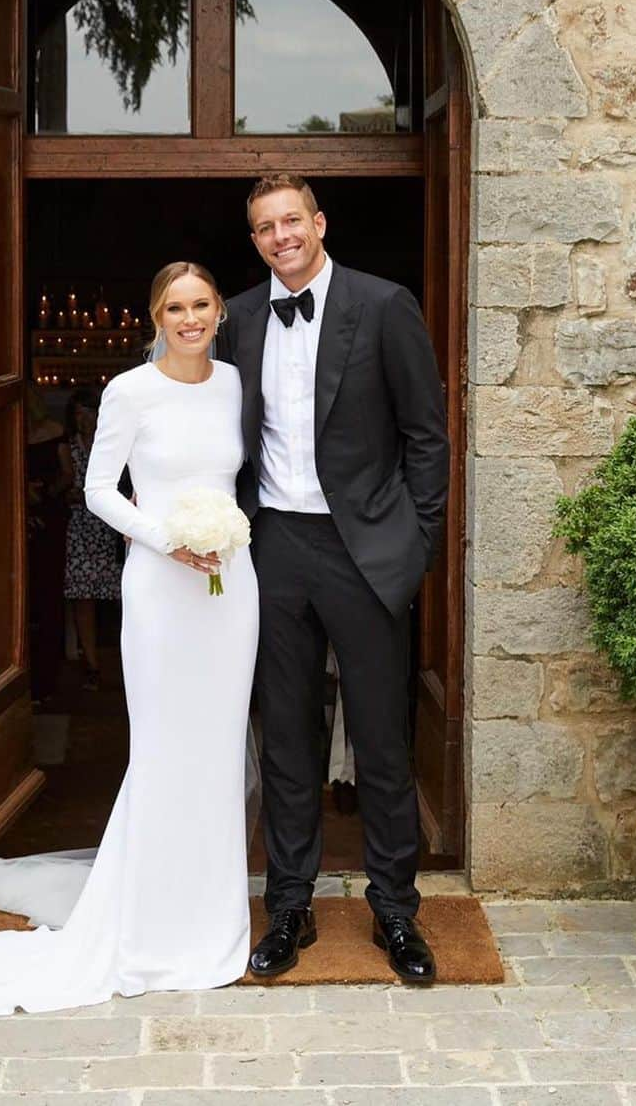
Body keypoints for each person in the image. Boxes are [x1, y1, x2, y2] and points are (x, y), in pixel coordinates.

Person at [0, 262, 258, 1017]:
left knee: (220, 747)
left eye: (200, 305)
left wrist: (219, 539)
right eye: (174, 307)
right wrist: (167, 538)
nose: (188, 318)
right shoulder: (130, 391)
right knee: (162, 749)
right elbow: (98, 491)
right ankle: (152, 921)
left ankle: (213, 918)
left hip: (231, 589)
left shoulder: (233, 384)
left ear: (220, 311)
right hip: (163, 589)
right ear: (155, 316)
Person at [216, 173, 449, 986]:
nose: (281, 236)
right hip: (273, 545)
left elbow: (427, 435)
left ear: (319, 223)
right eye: (264, 227)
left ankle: (395, 910)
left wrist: (416, 542)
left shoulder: (384, 305)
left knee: (382, 738)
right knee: (286, 738)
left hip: (367, 551)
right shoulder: (238, 319)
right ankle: (290, 906)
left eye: (291, 220)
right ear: (253, 240)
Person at [59, 387, 121, 691]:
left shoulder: (113, 444)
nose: (87, 418)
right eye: (80, 412)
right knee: (83, 597)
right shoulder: (68, 447)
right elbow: (67, 486)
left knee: (124, 596)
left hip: (112, 527)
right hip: (81, 529)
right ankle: (92, 665)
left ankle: (128, 666)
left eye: (92, 410)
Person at [26, 384, 70, 707]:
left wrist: (47, 492)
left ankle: (48, 679)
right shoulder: (13, 433)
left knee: (49, 596)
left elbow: (68, 474)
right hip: (23, 520)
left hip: (50, 518)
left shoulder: (55, 433)